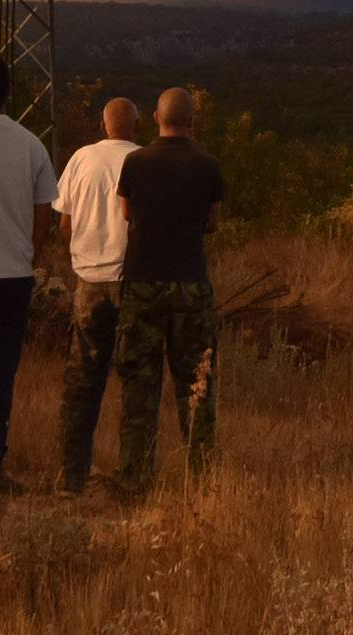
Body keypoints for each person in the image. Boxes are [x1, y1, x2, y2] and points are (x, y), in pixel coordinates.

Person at [115, 88, 224, 496]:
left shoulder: (135, 161)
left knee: (139, 386)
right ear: (192, 120)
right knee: (195, 387)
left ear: (157, 119)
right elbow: (213, 222)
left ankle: (134, 478)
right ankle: (201, 480)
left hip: (142, 282)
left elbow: (126, 212)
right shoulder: (208, 165)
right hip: (190, 284)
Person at [54, 98, 141, 494]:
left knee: (82, 381)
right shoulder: (144, 160)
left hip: (88, 279)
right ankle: (133, 477)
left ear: (103, 124)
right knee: (137, 378)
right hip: (132, 280)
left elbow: (65, 224)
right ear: (137, 126)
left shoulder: (80, 159)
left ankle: (72, 477)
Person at [0, 51, 56, 491]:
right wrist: (29, 256)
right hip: (12, 277)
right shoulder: (31, 143)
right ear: (9, 92)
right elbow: (44, 214)